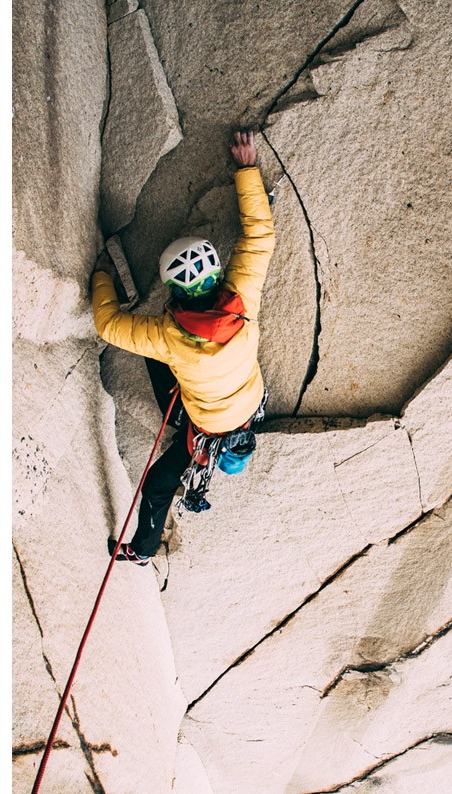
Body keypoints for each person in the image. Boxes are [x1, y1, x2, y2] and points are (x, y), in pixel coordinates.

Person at [91, 129, 275, 563]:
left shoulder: (167, 337)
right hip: (243, 411)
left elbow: (108, 325)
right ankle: (139, 549)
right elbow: (259, 238)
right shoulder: (242, 302)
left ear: (174, 289)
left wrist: (103, 275)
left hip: (205, 427)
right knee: (156, 359)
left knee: (157, 484)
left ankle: (142, 549)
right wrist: (247, 168)